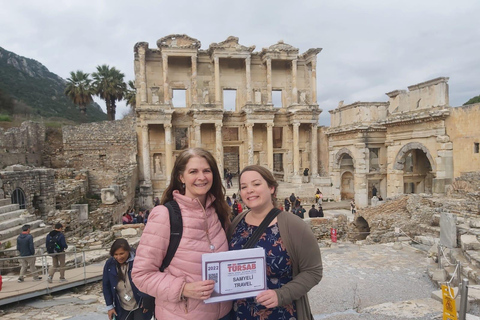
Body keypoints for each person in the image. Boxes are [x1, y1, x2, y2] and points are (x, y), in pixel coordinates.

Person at [132, 148, 232, 320]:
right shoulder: (164, 215)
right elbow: (141, 275)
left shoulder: (219, 213)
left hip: (223, 315)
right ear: (181, 177)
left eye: (206, 171)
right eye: (193, 171)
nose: (201, 177)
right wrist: (183, 288)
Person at [228, 165, 323, 320]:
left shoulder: (293, 225)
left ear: (271, 188)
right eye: (244, 187)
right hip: (240, 313)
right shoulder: (237, 222)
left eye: (256, 184)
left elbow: (313, 271)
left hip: (281, 313)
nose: (249, 190)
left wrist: (281, 295)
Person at [103, 238, 154, 320]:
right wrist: (110, 306)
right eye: (115, 254)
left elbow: (149, 280)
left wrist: (148, 300)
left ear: (128, 251)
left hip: (140, 304)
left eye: (121, 254)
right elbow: (106, 285)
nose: (119, 257)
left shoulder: (139, 260)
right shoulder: (110, 264)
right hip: (122, 305)